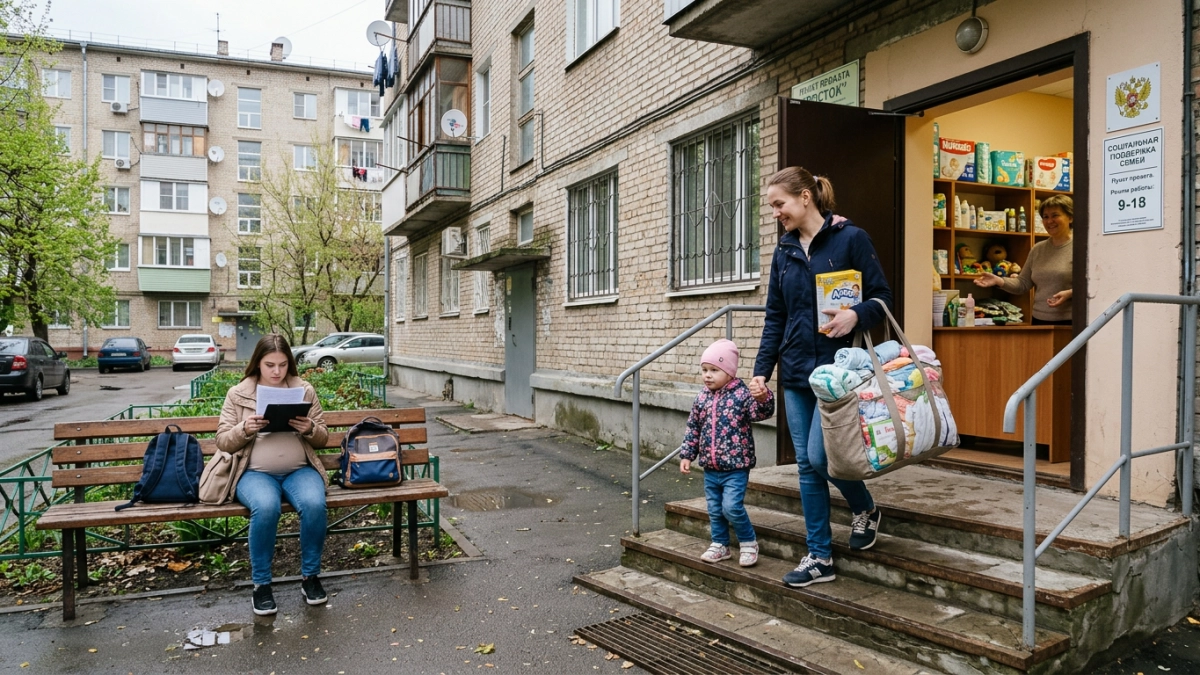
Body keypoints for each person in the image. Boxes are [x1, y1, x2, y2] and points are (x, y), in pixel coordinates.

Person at [749, 167, 893, 588]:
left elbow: (883, 297)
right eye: (773, 206)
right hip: (795, 371)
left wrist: (855, 313)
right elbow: (775, 316)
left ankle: (864, 507)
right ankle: (819, 556)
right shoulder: (785, 251)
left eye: (780, 204)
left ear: (806, 197)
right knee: (806, 469)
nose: (776, 213)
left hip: (839, 371)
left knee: (819, 457)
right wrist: (761, 371)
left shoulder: (851, 239)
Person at [216, 334, 330, 616]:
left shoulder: (304, 390)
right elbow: (222, 441)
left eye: (282, 365)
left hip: (299, 471)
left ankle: (310, 578)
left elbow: (323, 437)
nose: (277, 371)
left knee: (315, 504)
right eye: (270, 365)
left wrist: (310, 429)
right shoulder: (238, 393)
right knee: (265, 508)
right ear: (258, 364)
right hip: (255, 473)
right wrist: (244, 428)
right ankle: (262, 586)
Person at [679, 339, 775, 567]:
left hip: (736, 467)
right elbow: (693, 427)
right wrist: (687, 454)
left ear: (730, 372)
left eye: (714, 370)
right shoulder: (702, 397)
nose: (708, 375)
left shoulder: (742, 395)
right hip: (711, 467)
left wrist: (763, 398)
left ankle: (749, 542)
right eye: (704, 370)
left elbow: (760, 413)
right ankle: (720, 545)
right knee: (714, 509)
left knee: (731, 507)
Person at [974, 195, 1073, 326]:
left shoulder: (1081, 247)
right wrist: (999, 281)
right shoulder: (1038, 249)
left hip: (1070, 321)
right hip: (1039, 320)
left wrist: (1070, 293)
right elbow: (1023, 283)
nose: (1050, 221)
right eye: (1045, 217)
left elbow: (1093, 284)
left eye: (1055, 215)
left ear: (1070, 217)